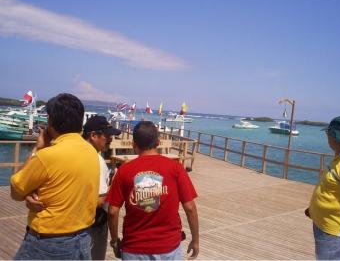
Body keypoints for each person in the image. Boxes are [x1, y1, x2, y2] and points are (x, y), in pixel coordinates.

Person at [10, 93, 99, 260]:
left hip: (48, 241)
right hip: (82, 238)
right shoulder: (91, 152)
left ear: (50, 121)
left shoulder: (47, 156)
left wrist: (38, 149)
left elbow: (15, 191)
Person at [106, 121, 199, 260]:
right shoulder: (176, 168)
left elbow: (113, 211)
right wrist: (196, 240)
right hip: (169, 247)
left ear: (134, 144)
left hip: (135, 248)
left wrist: (114, 242)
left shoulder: (124, 171)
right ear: (158, 141)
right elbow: (190, 207)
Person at [305, 116, 340, 260]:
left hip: (334, 231)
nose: (327, 137)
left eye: (328, 133)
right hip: (323, 225)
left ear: (334, 136)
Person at [82, 115, 121, 260]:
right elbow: (98, 201)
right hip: (93, 224)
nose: (110, 139)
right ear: (93, 135)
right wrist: (114, 185)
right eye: (107, 136)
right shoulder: (96, 160)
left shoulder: (77, 153)